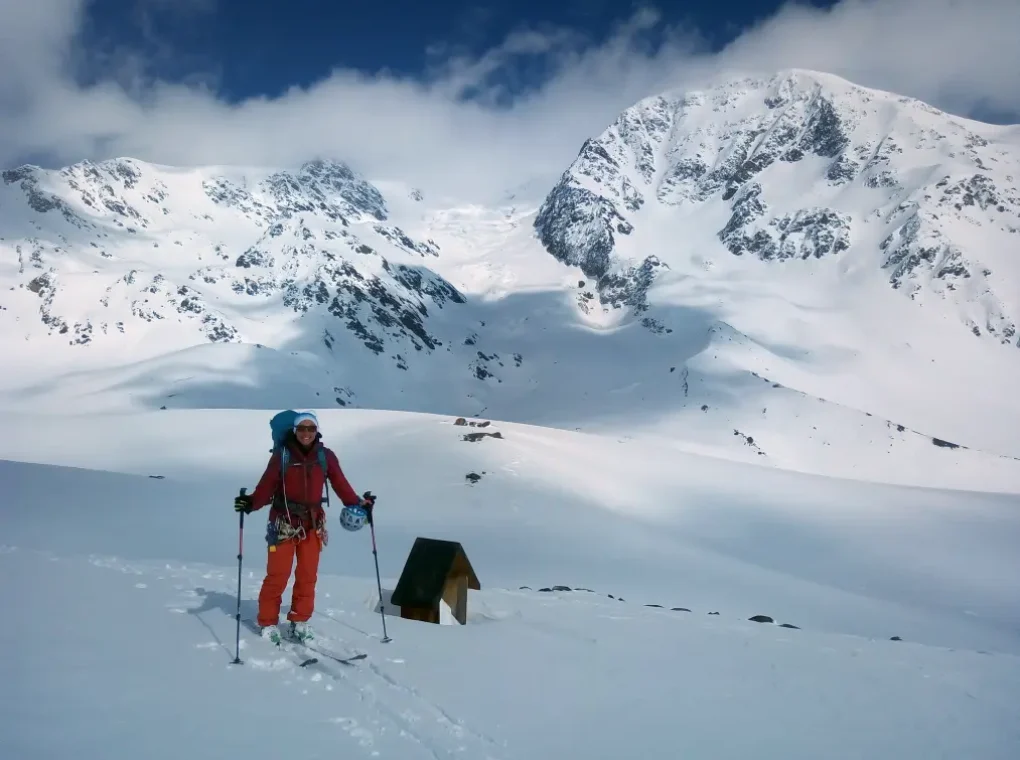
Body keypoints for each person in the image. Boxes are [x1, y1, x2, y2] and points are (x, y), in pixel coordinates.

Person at [233, 411, 373, 644]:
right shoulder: (282, 456)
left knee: (307, 576)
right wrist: (250, 503)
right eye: (302, 428)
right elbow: (267, 486)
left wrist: (359, 503)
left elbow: (341, 484)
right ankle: (268, 623)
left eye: (311, 428)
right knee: (278, 576)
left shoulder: (325, 457)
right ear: (295, 431)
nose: (306, 433)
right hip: (283, 524)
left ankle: (299, 621)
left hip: (312, 524)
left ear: (317, 431)